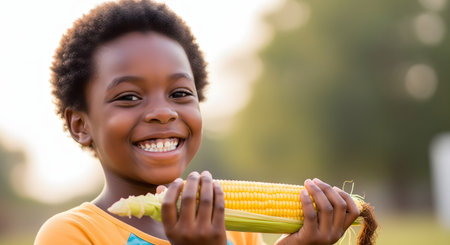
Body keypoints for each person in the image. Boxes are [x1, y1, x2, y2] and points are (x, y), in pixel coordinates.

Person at [34, 0, 360, 244]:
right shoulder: (72, 233)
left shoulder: (236, 226)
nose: (164, 112)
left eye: (179, 93)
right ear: (81, 125)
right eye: (129, 97)